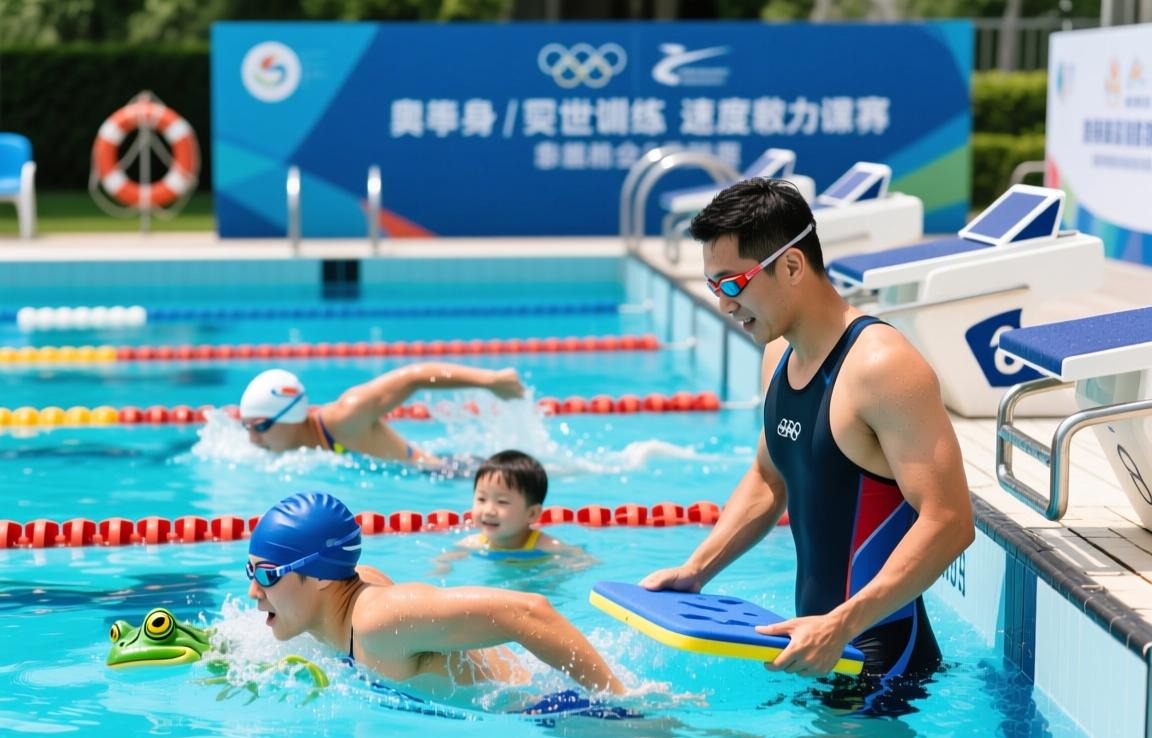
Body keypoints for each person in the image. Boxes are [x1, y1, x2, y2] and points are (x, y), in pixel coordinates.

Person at [642, 178, 974, 690]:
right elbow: (769, 476)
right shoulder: (777, 355)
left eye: (732, 284)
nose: (724, 305)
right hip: (815, 647)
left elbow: (949, 521)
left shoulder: (882, 368)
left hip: (882, 668)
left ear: (792, 266)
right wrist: (697, 569)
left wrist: (841, 624)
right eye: (713, 287)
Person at [247, 491, 624, 695]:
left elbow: (528, 611)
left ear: (320, 577)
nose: (252, 592)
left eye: (265, 576)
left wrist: (618, 703)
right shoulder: (342, 592)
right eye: (249, 571)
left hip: (546, 710)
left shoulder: (378, 620)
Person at [237, 364, 525, 463]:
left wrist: (489, 381)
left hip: (446, 473)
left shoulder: (344, 416)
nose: (251, 440)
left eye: (260, 427)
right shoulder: (294, 451)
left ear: (290, 416)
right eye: (245, 427)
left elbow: (414, 377)